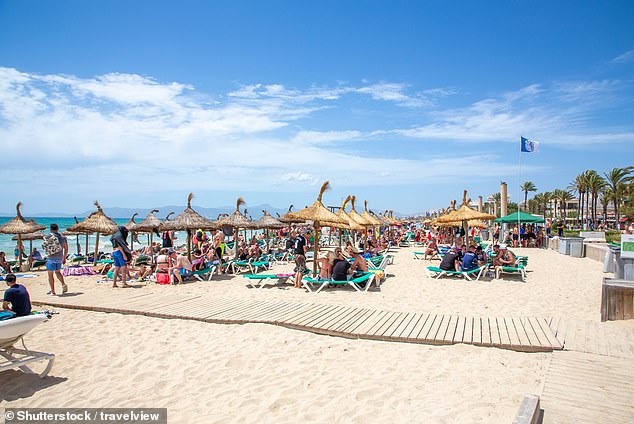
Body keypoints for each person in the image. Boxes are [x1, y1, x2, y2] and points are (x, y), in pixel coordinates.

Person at [43, 223, 68, 295]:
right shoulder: (63, 238)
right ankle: (63, 284)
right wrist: (64, 258)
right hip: (59, 258)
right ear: (57, 229)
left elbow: (44, 247)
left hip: (51, 258)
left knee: (50, 275)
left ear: (50, 229)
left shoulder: (48, 237)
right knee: (58, 272)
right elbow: (66, 249)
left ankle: (53, 291)